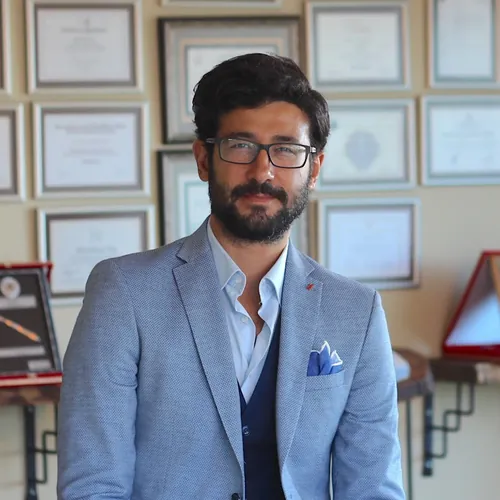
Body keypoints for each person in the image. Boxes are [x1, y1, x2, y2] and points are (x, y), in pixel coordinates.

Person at [57, 53, 405, 500]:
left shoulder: (356, 311)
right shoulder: (124, 293)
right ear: (204, 159)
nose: (263, 171)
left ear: (314, 168)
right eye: (241, 146)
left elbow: (374, 488)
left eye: (286, 149)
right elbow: (94, 484)